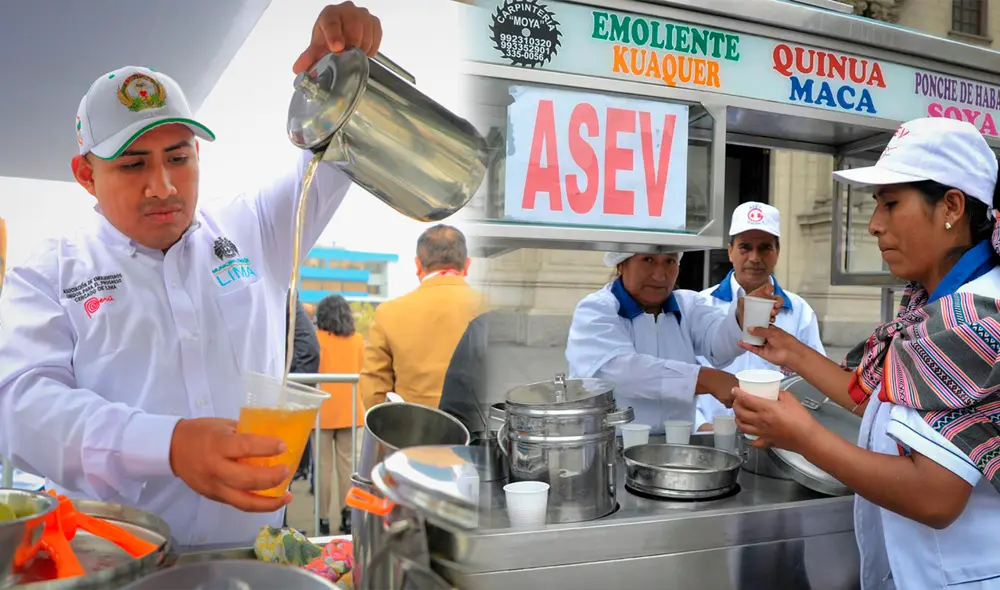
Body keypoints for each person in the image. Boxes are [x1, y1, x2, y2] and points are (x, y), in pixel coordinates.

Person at [0, 3, 384, 547]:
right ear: (85, 175)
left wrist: (346, 73)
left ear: (197, 152)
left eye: (177, 157)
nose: (163, 186)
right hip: (117, 564)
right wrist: (169, 445)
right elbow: (23, 408)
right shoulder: (49, 274)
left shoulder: (252, 228)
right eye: (133, 165)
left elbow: (336, 153)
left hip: (256, 556)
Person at [733, 117, 1000, 590]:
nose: (875, 225)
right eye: (876, 205)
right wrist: (792, 352)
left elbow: (935, 498)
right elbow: (877, 396)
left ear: (952, 207)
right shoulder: (929, 302)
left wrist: (803, 436)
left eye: (891, 204)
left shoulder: (972, 318)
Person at [566, 251, 781, 434]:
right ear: (623, 263)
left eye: (669, 261)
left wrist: (740, 320)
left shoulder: (688, 305)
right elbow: (620, 371)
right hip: (612, 445)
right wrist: (706, 379)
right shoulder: (596, 310)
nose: (660, 275)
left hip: (676, 444)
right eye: (648, 260)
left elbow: (718, 345)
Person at [694, 202, 825, 431]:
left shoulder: (800, 311)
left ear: (777, 252)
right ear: (730, 251)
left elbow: (814, 385)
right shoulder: (701, 306)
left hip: (778, 442)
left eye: (765, 247)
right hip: (710, 438)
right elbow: (683, 376)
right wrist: (700, 427)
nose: (755, 258)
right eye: (745, 247)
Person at [359, 224, 484, 410]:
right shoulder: (488, 307)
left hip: (412, 432)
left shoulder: (389, 313)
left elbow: (374, 389)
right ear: (467, 265)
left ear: (418, 264)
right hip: (475, 431)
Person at [314, 294, 365, 536]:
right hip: (351, 410)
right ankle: (347, 515)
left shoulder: (317, 339)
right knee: (347, 466)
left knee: (323, 467)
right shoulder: (358, 341)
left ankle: (322, 518)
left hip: (322, 411)